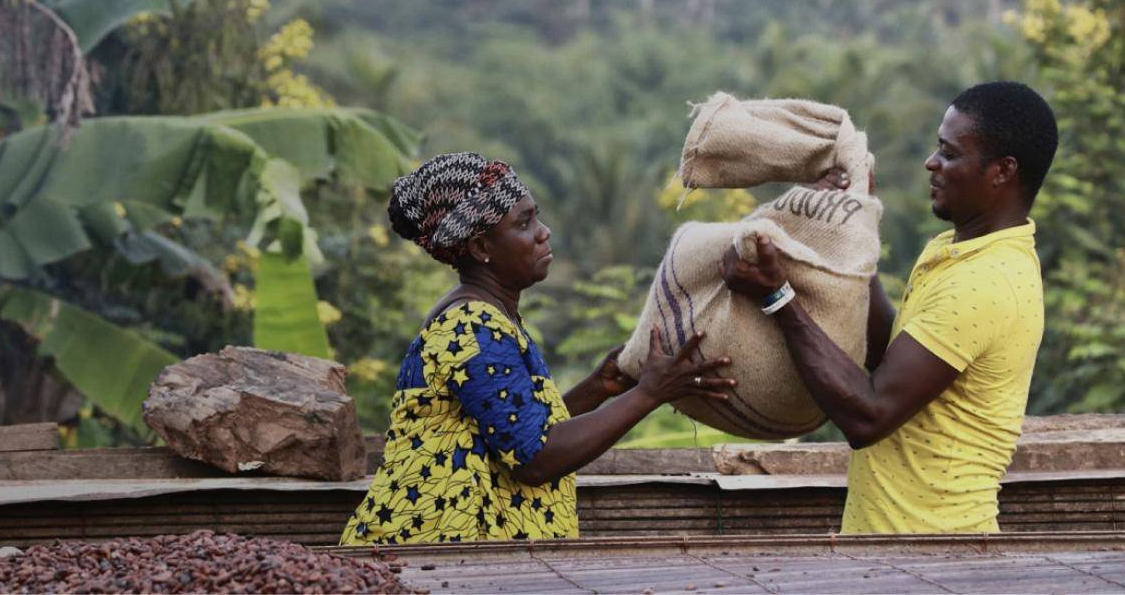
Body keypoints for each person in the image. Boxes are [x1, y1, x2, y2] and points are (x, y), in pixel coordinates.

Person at [341, 152, 734, 545]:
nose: (543, 232)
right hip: (429, 559)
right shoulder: (472, 328)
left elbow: (514, 427)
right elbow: (534, 459)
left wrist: (598, 388)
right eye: (524, 223)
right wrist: (649, 394)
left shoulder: (489, 318)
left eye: (536, 217)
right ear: (480, 247)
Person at [720, 81, 1058, 534]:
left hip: (937, 552)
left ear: (1002, 171)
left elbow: (868, 415)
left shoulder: (985, 282)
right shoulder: (952, 251)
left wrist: (777, 298)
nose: (931, 163)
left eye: (950, 153)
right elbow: (885, 358)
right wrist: (855, 226)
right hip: (894, 550)